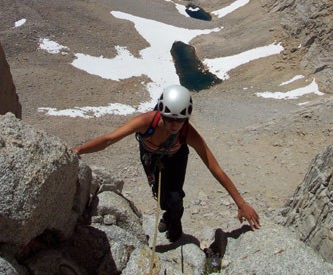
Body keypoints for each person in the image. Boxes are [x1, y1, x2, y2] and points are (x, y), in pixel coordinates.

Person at [73, 84, 260, 242]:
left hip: (176, 158)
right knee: (162, 197)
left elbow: (214, 167)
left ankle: (175, 224)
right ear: (160, 112)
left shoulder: (188, 133)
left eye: (178, 120)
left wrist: (241, 203)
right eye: (169, 118)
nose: (173, 124)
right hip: (151, 158)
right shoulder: (146, 121)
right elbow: (108, 139)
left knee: (175, 197)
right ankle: (168, 214)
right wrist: (79, 150)